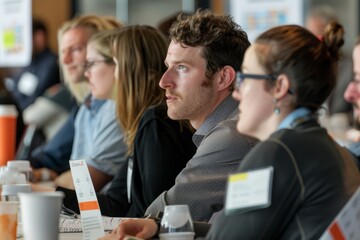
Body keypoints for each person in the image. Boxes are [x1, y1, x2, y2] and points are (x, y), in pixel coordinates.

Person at [106, 21, 360, 240]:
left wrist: (160, 225)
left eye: (247, 77)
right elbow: (238, 231)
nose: (237, 92)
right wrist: (157, 225)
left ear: (279, 87)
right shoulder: (320, 144)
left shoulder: (275, 151)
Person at [121, 10, 254, 223]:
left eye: (182, 68)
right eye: (168, 67)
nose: (164, 81)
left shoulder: (232, 135)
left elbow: (167, 217)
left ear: (223, 78)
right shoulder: (233, 124)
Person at [58, 25, 196, 217]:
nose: (86, 72)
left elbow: (151, 217)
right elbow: (116, 203)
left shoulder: (156, 123)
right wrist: (48, 197)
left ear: (130, 70)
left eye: (115, 63)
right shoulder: (142, 122)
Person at [30, 16, 126, 191]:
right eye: (63, 51)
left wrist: (31, 187)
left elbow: (84, 183)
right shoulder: (87, 106)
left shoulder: (116, 108)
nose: (65, 60)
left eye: (76, 49)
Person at [6, 18, 60, 111]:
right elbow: (16, 90)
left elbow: (36, 96)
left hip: (38, 114)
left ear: (39, 37)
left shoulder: (51, 63)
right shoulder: (29, 62)